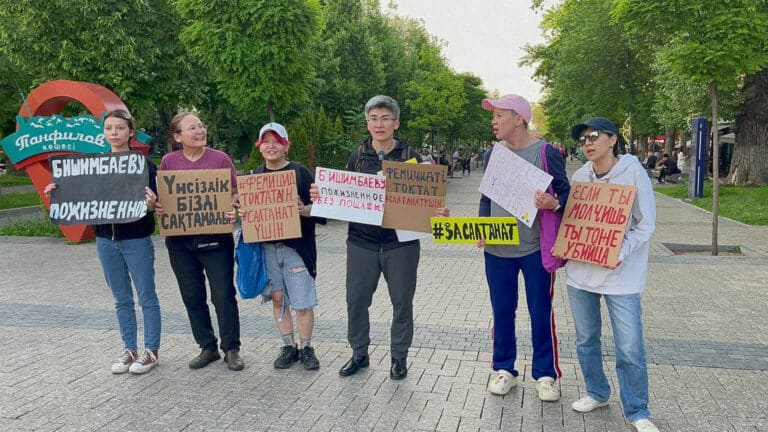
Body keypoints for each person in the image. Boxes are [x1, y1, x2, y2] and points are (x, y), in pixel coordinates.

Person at [310, 95, 449, 380]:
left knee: (402, 301)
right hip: (362, 242)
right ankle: (359, 353)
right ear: (367, 123)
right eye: (374, 119)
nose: (379, 124)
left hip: (402, 244)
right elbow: (342, 197)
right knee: (357, 300)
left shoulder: (415, 158)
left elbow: (428, 197)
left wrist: (438, 212)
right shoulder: (357, 156)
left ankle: (399, 357)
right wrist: (322, 196)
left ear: (396, 123)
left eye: (385, 118)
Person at [44, 109, 161, 374]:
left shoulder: (143, 165)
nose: (114, 133)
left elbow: (157, 203)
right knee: (121, 299)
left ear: (130, 132)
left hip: (136, 238)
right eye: (109, 128)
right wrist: (58, 193)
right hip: (105, 240)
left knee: (146, 297)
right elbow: (80, 196)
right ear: (104, 132)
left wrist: (153, 204)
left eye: (120, 128)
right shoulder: (91, 166)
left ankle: (151, 350)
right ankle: (129, 349)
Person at [564, 117, 658, 432]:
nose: (587, 143)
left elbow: (645, 224)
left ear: (612, 139)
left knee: (630, 345)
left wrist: (619, 250)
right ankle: (596, 392)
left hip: (621, 278)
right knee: (586, 340)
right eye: (581, 140)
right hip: (581, 274)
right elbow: (574, 222)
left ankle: (637, 409)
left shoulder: (633, 173)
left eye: (593, 136)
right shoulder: (580, 176)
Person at [479, 94, 569, 401]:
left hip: (534, 249)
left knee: (540, 311)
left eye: (499, 115)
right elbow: (485, 197)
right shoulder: (493, 154)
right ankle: (504, 369)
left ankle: (546, 375)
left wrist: (553, 203)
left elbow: (567, 196)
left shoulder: (545, 153)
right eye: (493, 116)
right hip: (497, 249)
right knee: (502, 310)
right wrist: (482, 227)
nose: (493, 121)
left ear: (518, 118)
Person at [155, 111, 244, 371]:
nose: (199, 131)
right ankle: (207, 346)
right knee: (192, 296)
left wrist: (233, 207)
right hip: (181, 242)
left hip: (216, 240)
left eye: (201, 126)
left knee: (223, 295)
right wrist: (160, 207)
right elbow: (165, 197)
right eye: (192, 128)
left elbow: (236, 193)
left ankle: (231, 348)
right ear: (177, 136)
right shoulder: (169, 162)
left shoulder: (220, 159)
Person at [251, 122, 325, 371]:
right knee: (278, 299)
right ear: (259, 146)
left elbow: (321, 208)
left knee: (303, 302)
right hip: (268, 250)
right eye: (266, 141)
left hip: (297, 250)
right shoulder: (254, 177)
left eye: (277, 141)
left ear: (286, 145)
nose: (271, 146)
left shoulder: (300, 173)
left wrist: (304, 210)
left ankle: (306, 347)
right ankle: (288, 346)